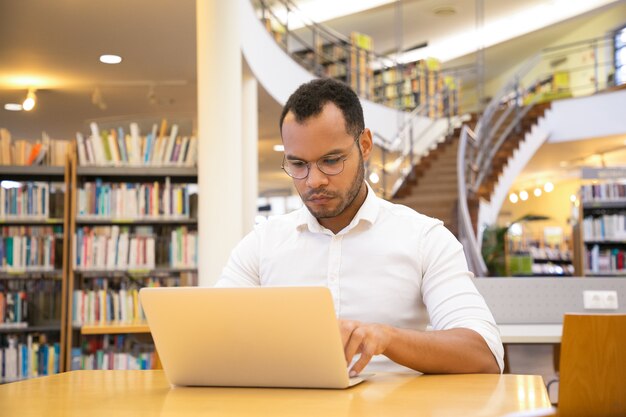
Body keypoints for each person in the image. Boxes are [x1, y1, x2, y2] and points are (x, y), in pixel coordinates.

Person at [216, 78, 503, 376]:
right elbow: (211, 336)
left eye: (331, 160)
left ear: (364, 145)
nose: (314, 181)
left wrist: (389, 338)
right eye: (298, 164)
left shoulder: (424, 238)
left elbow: (483, 355)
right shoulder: (262, 242)